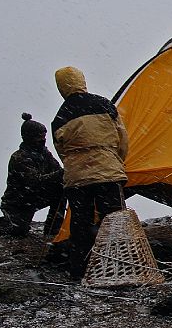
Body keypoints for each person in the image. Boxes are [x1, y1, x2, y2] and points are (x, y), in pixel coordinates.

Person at [52, 66, 130, 279]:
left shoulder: (59, 117)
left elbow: (62, 153)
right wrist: (115, 161)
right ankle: (117, 268)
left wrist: (78, 166)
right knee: (114, 221)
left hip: (77, 178)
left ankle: (80, 270)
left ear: (61, 87)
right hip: (108, 171)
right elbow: (122, 138)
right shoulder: (104, 104)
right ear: (81, 80)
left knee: (80, 225)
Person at [0, 113, 64, 237]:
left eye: (44, 136)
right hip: (18, 202)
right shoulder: (19, 157)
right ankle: (3, 223)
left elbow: (57, 171)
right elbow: (35, 181)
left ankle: (53, 230)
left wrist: (64, 174)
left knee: (62, 189)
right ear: (29, 137)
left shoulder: (45, 154)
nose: (43, 139)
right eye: (39, 137)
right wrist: (62, 172)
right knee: (18, 232)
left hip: (33, 198)